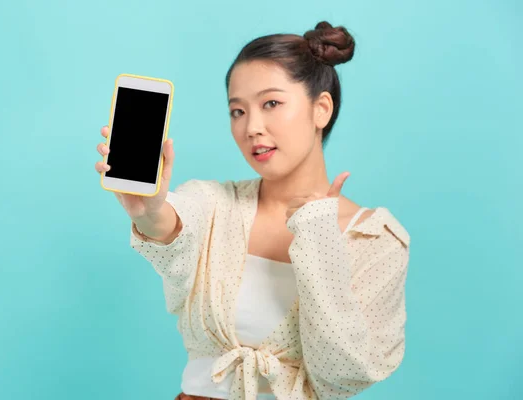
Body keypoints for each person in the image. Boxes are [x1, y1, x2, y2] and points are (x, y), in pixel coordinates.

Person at [95, 21, 410, 400]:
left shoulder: (374, 238)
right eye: (237, 111)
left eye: (271, 104)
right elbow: (175, 227)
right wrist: (148, 212)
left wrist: (317, 235)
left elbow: (341, 375)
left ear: (321, 109)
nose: (251, 127)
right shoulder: (214, 203)